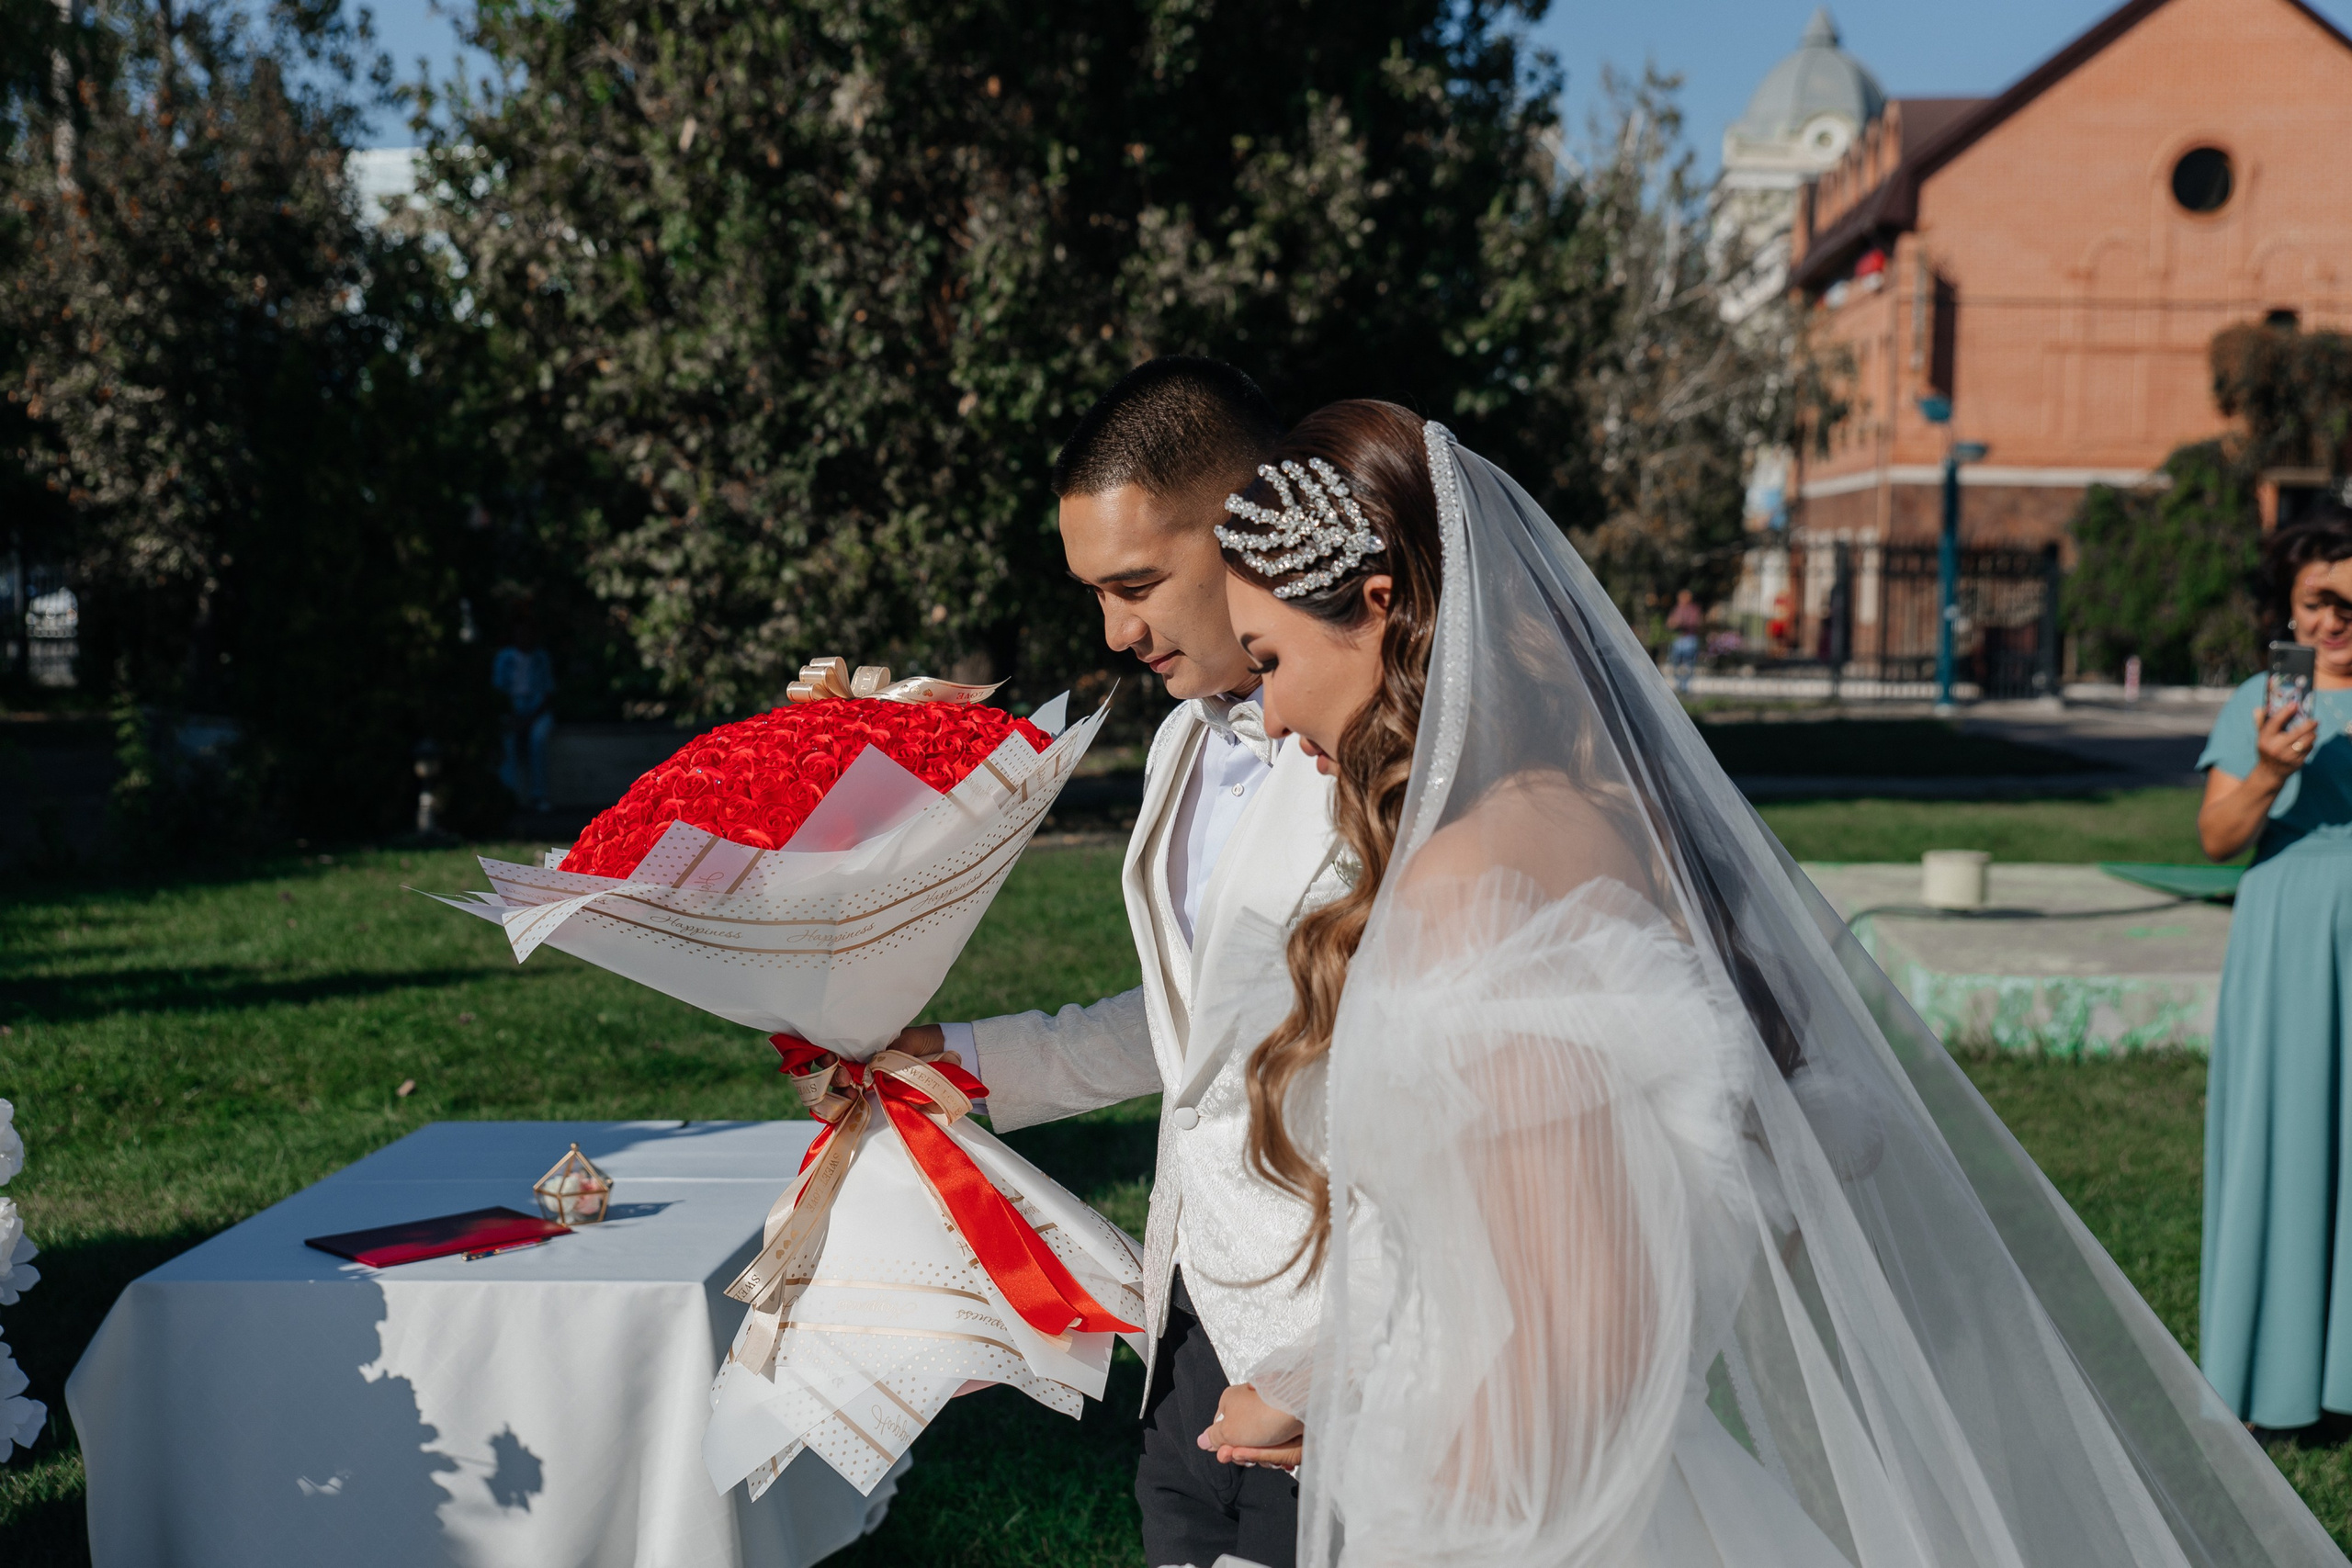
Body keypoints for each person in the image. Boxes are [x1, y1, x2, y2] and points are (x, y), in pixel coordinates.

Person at [1190, 401, 2338, 1566]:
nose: (1271, 715)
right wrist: (1328, 1380)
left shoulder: (1472, 876)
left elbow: (1584, 1334)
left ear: (1379, 605)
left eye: (1272, 659)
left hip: (1522, 1518)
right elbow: (1567, 1239)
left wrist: (1398, 1473)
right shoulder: (1605, 821)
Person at [897, 356, 1344, 1568]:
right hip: (1194, 1307)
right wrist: (975, 1063)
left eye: (1137, 582)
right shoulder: (1180, 751)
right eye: (1095, 592)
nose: (1115, 630)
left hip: (1348, 1338)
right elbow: (1202, 1022)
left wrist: (1329, 1356)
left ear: (1255, 528)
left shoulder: (1394, 768)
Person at [2197, 514, 2352, 1433]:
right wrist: (2265, 766)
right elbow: (2219, 841)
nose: (2337, 623)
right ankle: (2280, 1376)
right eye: (2319, 603)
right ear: (2286, 609)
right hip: (2290, 936)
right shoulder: (2261, 700)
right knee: (2288, 1134)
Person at [492, 615, 556, 812]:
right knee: (507, 741)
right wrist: (514, 717)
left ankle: (539, 795)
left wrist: (530, 718)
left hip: (536, 710)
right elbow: (497, 693)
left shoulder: (541, 658)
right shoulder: (504, 658)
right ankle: (509, 796)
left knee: (538, 739)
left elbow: (548, 694)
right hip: (512, 709)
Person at [1666, 588, 1704, 694]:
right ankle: (1679, 684)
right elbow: (1670, 623)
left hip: (1689, 639)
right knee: (1675, 662)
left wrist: (1681, 622)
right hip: (1678, 639)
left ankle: (1684, 686)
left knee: (1688, 663)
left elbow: (1696, 623)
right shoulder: (1677, 609)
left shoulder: (1694, 609)